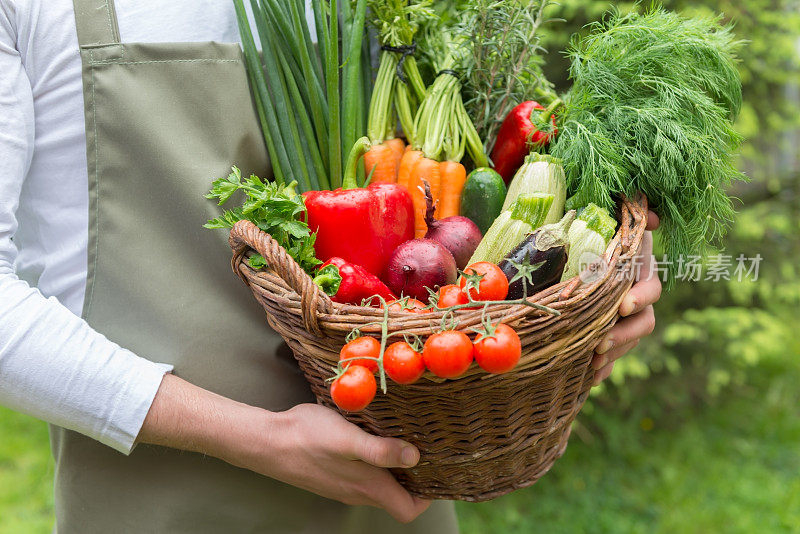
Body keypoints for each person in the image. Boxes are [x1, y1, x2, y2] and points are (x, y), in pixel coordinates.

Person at [0, 0, 661, 531]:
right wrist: (259, 438)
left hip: (400, 492)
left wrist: (600, 264)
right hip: (160, 502)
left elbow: (504, 154)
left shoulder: (402, 14)